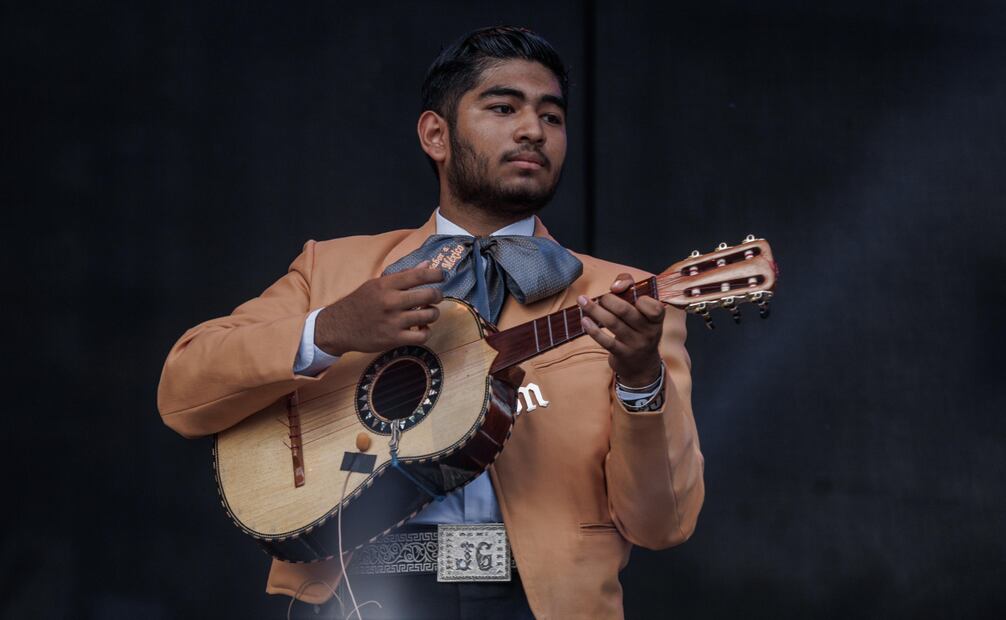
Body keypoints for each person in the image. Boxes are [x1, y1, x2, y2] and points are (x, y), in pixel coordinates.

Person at [158, 26, 704, 619]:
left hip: (539, 603)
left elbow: (663, 524)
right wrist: (331, 329)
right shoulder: (335, 270)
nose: (533, 130)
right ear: (435, 134)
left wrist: (640, 378)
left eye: (552, 117)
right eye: (503, 107)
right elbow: (183, 391)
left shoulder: (625, 300)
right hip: (358, 595)